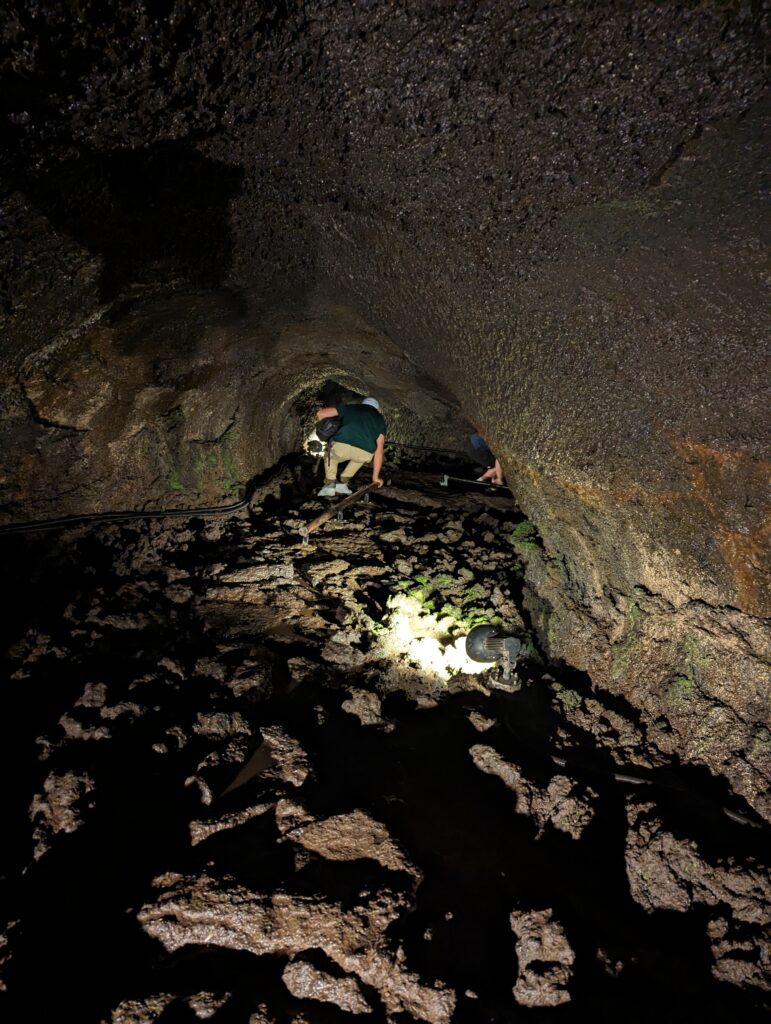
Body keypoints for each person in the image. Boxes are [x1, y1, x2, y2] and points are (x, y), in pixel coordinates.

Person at [315, 397, 386, 497]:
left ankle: (330, 484)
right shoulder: (380, 419)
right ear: (377, 409)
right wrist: (375, 477)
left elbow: (320, 414)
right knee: (360, 459)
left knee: (330, 455)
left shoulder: (351, 408)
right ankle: (343, 483)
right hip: (365, 453)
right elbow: (380, 451)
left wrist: (325, 429)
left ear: (362, 404)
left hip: (341, 446)